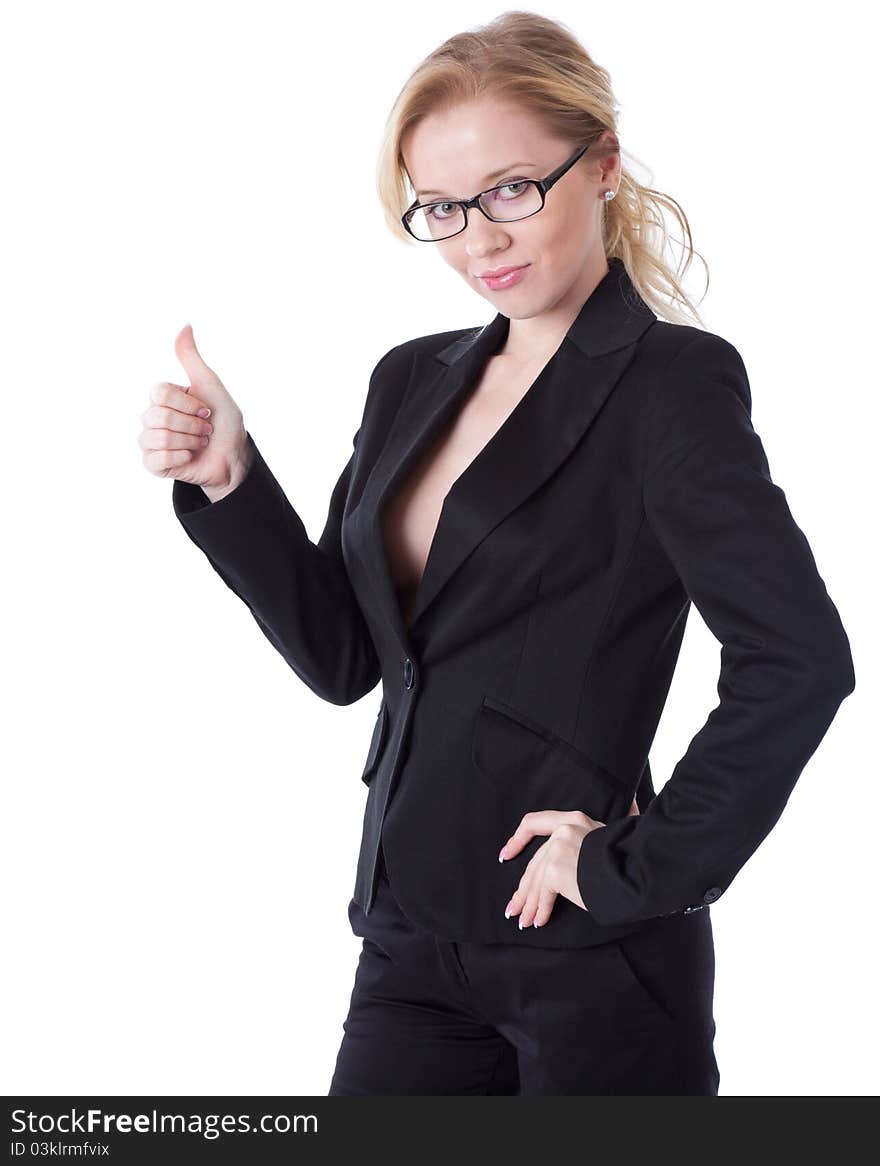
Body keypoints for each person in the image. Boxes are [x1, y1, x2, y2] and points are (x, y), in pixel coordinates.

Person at [139, 12, 855, 1094]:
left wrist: (636, 862)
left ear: (601, 165)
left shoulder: (670, 388)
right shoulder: (409, 377)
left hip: (588, 958)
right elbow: (347, 657)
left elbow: (800, 660)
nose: (480, 238)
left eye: (513, 188)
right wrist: (232, 483)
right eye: (442, 207)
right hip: (408, 934)